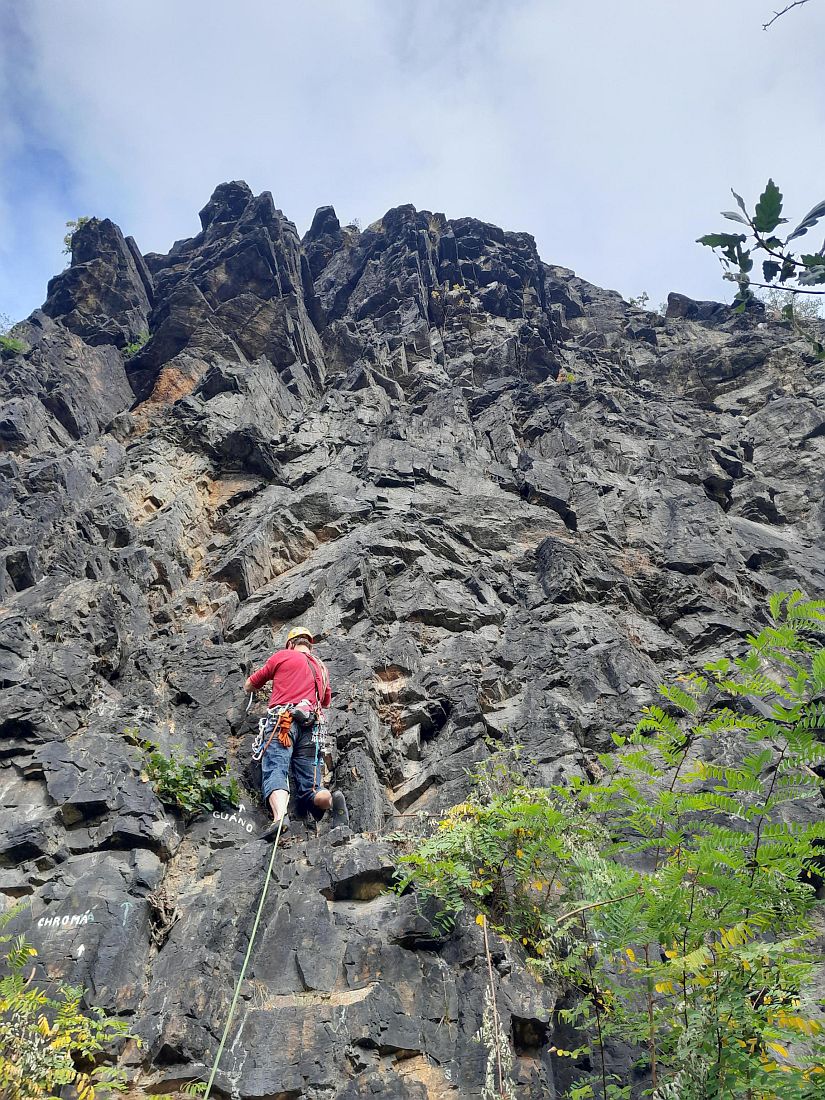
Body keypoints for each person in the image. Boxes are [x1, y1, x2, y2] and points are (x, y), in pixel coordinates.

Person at [244, 626, 348, 841]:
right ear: (310, 645)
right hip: (314, 727)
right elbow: (326, 701)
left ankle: (280, 818)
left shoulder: (283, 656)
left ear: (291, 643)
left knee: (276, 767)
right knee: (312, 787)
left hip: (284, 720)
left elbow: (251, 683)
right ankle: (330, 799)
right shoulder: (321, 668)